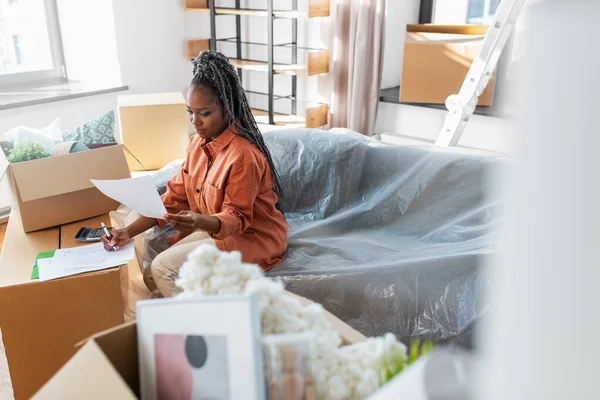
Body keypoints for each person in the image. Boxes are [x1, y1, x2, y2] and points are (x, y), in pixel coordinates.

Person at [101, 51, 288, 297]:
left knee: (164, 269)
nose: (195, 121)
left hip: (252, 239)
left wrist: (199, 221)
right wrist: (127, 232)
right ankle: (187, 322)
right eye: (190, 111)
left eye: (204, 113)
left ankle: (202, 330)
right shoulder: (196, 145)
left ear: (227, 109)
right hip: (214, 231)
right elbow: (174, 197)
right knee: (151, 274)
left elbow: (237, 218)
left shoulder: (244, 156)